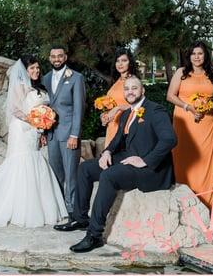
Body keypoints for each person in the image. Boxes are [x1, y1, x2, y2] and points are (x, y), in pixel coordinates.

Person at [55, 76, 177, 253]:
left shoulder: (155, 110)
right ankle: (80, 218)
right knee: (85, 168)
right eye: (127, 89)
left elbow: (170, 139)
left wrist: (145, 160)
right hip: (127, 159)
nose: (130, 92)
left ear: (143, 90)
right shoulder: (127, 113)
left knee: (109, 175)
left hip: (150, 169)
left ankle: (94, 235)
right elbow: (117, 139)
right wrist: (107, 152)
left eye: (134, 88)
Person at [0, 55, 68, 227]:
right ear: (24, 71)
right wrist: (34, 121)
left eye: (37, 68)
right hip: (22, 129)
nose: (36, 71)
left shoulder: (40, 87)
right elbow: (15, 110)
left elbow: (42, 109)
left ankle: (41, 207)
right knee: (21, 162)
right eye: (32, 68)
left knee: (35, 160)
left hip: (35, 130)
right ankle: (15, 208)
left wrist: (42, 127)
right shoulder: (20, 87)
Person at [166, 41, 213, 208]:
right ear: (189, 56)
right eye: (193, 54)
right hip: (185, 123)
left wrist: (210, 106)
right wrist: (188, 106)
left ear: (205, 55)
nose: (197, 57)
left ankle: (206, 206)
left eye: (200, 53)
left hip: (207, 124)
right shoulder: (181, 72)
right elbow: (170, 96)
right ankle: (183, 204)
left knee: (205, 163)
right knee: (184, 161)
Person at [42, 45, 86, 222]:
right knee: (55, 174)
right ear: (49, 58)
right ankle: (59, 208)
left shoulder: (76, 78)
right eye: (53, 56)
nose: (56, 59)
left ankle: (72, 212)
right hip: (51, 134)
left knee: (71, 174)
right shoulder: (45, 78)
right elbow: (44, 107)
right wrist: (44, 131)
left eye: (60, 56)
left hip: (68, 134)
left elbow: (79, 109)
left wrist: (74, 134)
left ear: (65, 57)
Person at [100, 47, 139, 148]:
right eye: (118, 61)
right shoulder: (116, 81)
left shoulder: (133, 81)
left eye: (124, 60)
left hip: (126, 126)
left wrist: (118, 108)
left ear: (130, 63)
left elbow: (139, 106)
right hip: (112, 126)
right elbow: (111, 104)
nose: (120, 64)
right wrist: (104, 115)